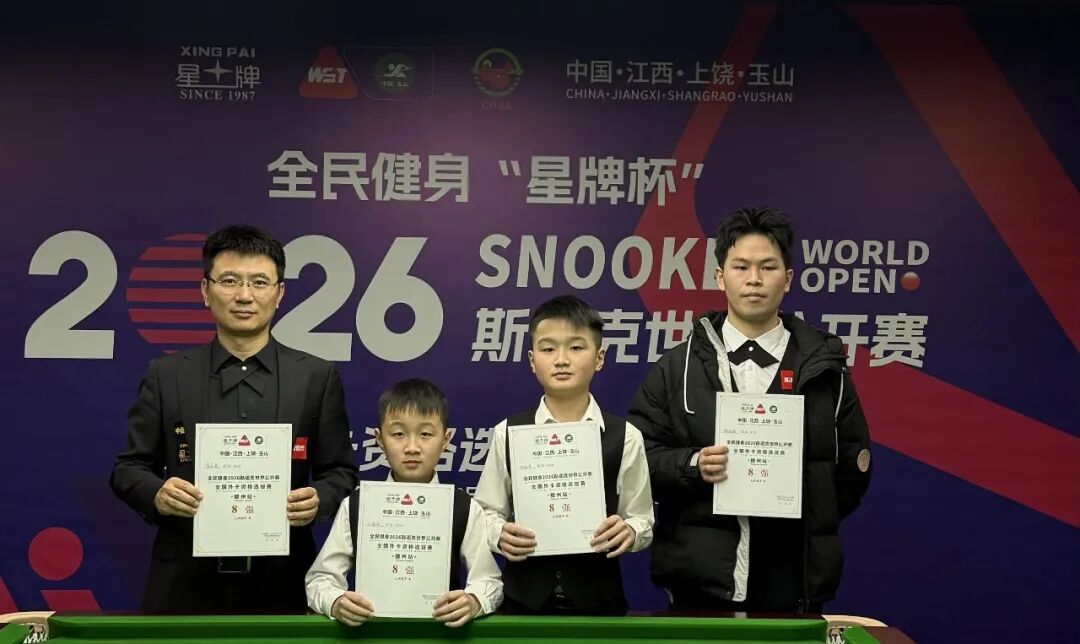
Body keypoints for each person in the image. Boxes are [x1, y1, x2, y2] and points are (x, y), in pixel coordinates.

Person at [628, 206, 873, 613]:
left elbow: (852, 469)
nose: (754, 279)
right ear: (720, 276)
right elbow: (638, 458)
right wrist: (692, 465)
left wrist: (804, 502)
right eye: (741, 267)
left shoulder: (826, 368)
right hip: (699, 584)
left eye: (768, 267)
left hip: (793, 579)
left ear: (787, 278)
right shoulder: (678, 366)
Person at [110, 224, 358, 613]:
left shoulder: (315, 377)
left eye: (259, 282)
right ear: (205, 290)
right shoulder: (167, 375)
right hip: (183, 581)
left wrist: (319, 498)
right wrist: (157, 493)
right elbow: (128, 469)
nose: (244, 295)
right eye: (229, 281)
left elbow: (341, 471)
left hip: (283, 579)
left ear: (279, 294)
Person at [473, 295, 654, 615]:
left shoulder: (625, 436)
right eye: (548, 349)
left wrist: (629, 531)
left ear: (599, 358)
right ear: (532, 361)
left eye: (576, 347)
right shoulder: (508, 432)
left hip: (600, 606)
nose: (561, 359)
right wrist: (499, 534)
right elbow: (486, 511)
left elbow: (642, 518)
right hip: (522, 605)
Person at [305, 378, 502, 627]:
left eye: (426, 434)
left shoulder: (463, 507)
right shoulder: (358, 505)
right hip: (370, 634)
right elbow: (320, 580)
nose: (412, 447)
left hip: (441, 636)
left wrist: (473, 601)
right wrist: (335, 601)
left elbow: (489, 580)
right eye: (398, 434)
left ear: (446, 439)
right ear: (379, 439)